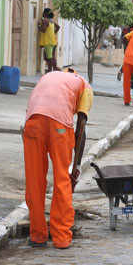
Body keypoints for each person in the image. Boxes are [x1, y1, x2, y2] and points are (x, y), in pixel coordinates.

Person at [23, 68, 93, 249]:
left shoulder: (47, 77)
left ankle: (38, 235)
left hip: (33, 122)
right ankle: (61, 237)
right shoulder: (84, 85)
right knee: (62, 179)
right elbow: (82, 127)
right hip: (59, 126)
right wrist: (76, 166)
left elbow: (32, 103)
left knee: (34, 181)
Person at [38, 8, 61, 73]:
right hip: (53, 41)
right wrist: (53, 33)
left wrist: (39, 25)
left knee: (49, 57)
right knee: (50, 57)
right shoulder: (51, 21)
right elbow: (58, 27)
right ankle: (55, 68)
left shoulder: (45, 20)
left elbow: (43, 30)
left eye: (43, 12)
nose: (42, 14)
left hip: (48, 42)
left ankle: (50, 71)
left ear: (45, 13)